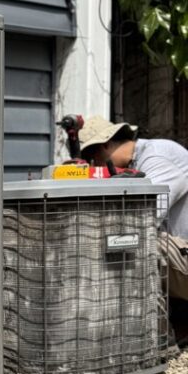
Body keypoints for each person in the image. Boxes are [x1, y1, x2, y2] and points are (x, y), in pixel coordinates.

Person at [78, 117, 188, 327]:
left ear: (105, 144)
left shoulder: (158, 157)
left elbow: (143, 218)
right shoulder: (139, 160)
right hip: (181, 254)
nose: (95, 165)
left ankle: (160, 343)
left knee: (135, 244)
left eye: (94, 158)